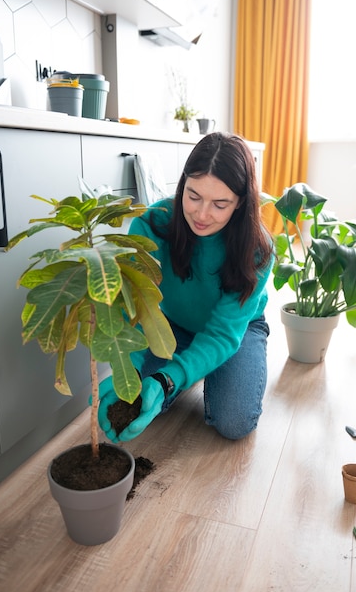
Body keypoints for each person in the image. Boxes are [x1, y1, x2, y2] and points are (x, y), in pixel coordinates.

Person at [97, 132, 274, 442]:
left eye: (220, 204)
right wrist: (129, 370)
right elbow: (137, 308)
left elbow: (222, 333)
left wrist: (170, 379)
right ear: (182, 185)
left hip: (236, 328)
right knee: (139, 397)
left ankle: (197, 368)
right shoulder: (152, 225)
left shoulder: (257, 248)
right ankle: (191, 364)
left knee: (234, 423)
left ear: (240, 203)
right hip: (174, 325)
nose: (202, 214)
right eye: (193, 196)